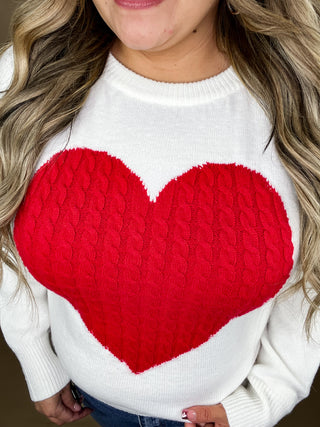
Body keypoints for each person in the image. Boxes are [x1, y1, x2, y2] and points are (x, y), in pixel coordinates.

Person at [0, 0, 319, 426]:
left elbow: (312, 281)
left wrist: (262, 402)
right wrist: (38, 359)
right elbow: (7, 238)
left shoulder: (303, 103)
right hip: (90, 400)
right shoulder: (22, 77)